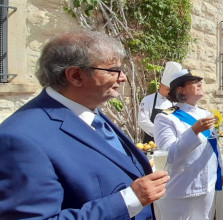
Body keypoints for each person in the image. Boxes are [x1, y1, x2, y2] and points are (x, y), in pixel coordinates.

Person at [0, 31, 170, 219]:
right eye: (113, 70)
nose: (123, 78)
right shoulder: (21, 139)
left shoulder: (89, 112)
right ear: (75, 76)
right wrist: (129, 200)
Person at [154, 66, 223, 219]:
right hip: (181, 189)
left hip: (208, 185)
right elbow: (168, 155)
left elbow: (214, 147)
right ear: (181, 90)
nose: (200, 83)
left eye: (199, 81)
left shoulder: (204, 113)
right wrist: (194, 131)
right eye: (193, 82)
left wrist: (221, 171)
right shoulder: (165, 118)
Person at [138, 62, 176, 143]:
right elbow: (142, 121)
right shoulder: (148, 100)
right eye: (168, 89)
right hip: (151, 141)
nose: (170, 93)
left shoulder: (175, 103)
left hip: (170, 140)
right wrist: (159, 132)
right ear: (160, 86)